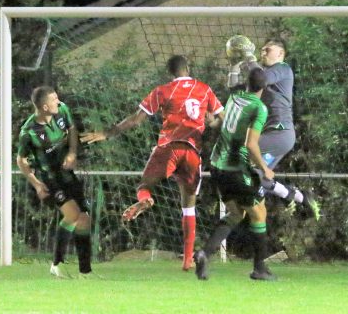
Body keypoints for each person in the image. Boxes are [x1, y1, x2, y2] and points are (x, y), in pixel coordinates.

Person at [80, 55, 224, 271]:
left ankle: (146, 199)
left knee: (145, 185)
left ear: (170, 72)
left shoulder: (163, 91)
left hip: (169, 148)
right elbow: (222, 120)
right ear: (188, 68)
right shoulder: (204, 88)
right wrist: (210, 123)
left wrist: (107, 133)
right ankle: (187, 261)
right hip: (193, 152)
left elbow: (136, 119)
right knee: (188, 207)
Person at [194, 68, 276, 281]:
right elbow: (251, 145)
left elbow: (222, 125)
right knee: (259, 213)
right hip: (236, 168)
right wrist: (265, 168)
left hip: (216, 166)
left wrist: (212, 122)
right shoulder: (259, 108)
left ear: (247, 84)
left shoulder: (234, 97)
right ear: (264, 88)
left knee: (236, 213)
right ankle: (259, 269)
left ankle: (204, 253)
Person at [226, 35, 320, 220]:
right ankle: (299, 197)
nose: (263, 52)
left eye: (267, 50)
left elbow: (260, 79)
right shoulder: (260, 78)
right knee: (256, 177)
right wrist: (234, 66)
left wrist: (249, 58)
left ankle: (253, 207)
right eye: (261, 50)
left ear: (281, 53)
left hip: (279, 133)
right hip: (275, 136)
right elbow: (236, 93)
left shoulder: (283, 69)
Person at [17, 86, 92, 278]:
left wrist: (72, 153)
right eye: (54, 99)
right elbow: (21, 160)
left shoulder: (62, 110)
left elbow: (72, 129)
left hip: (68, 175)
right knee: (72, 214)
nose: (58, 102)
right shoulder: (29, 131)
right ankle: (57, 264)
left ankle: (85, 271)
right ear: (44, 106)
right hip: (51, 180)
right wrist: (36, 184)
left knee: (84, 218)